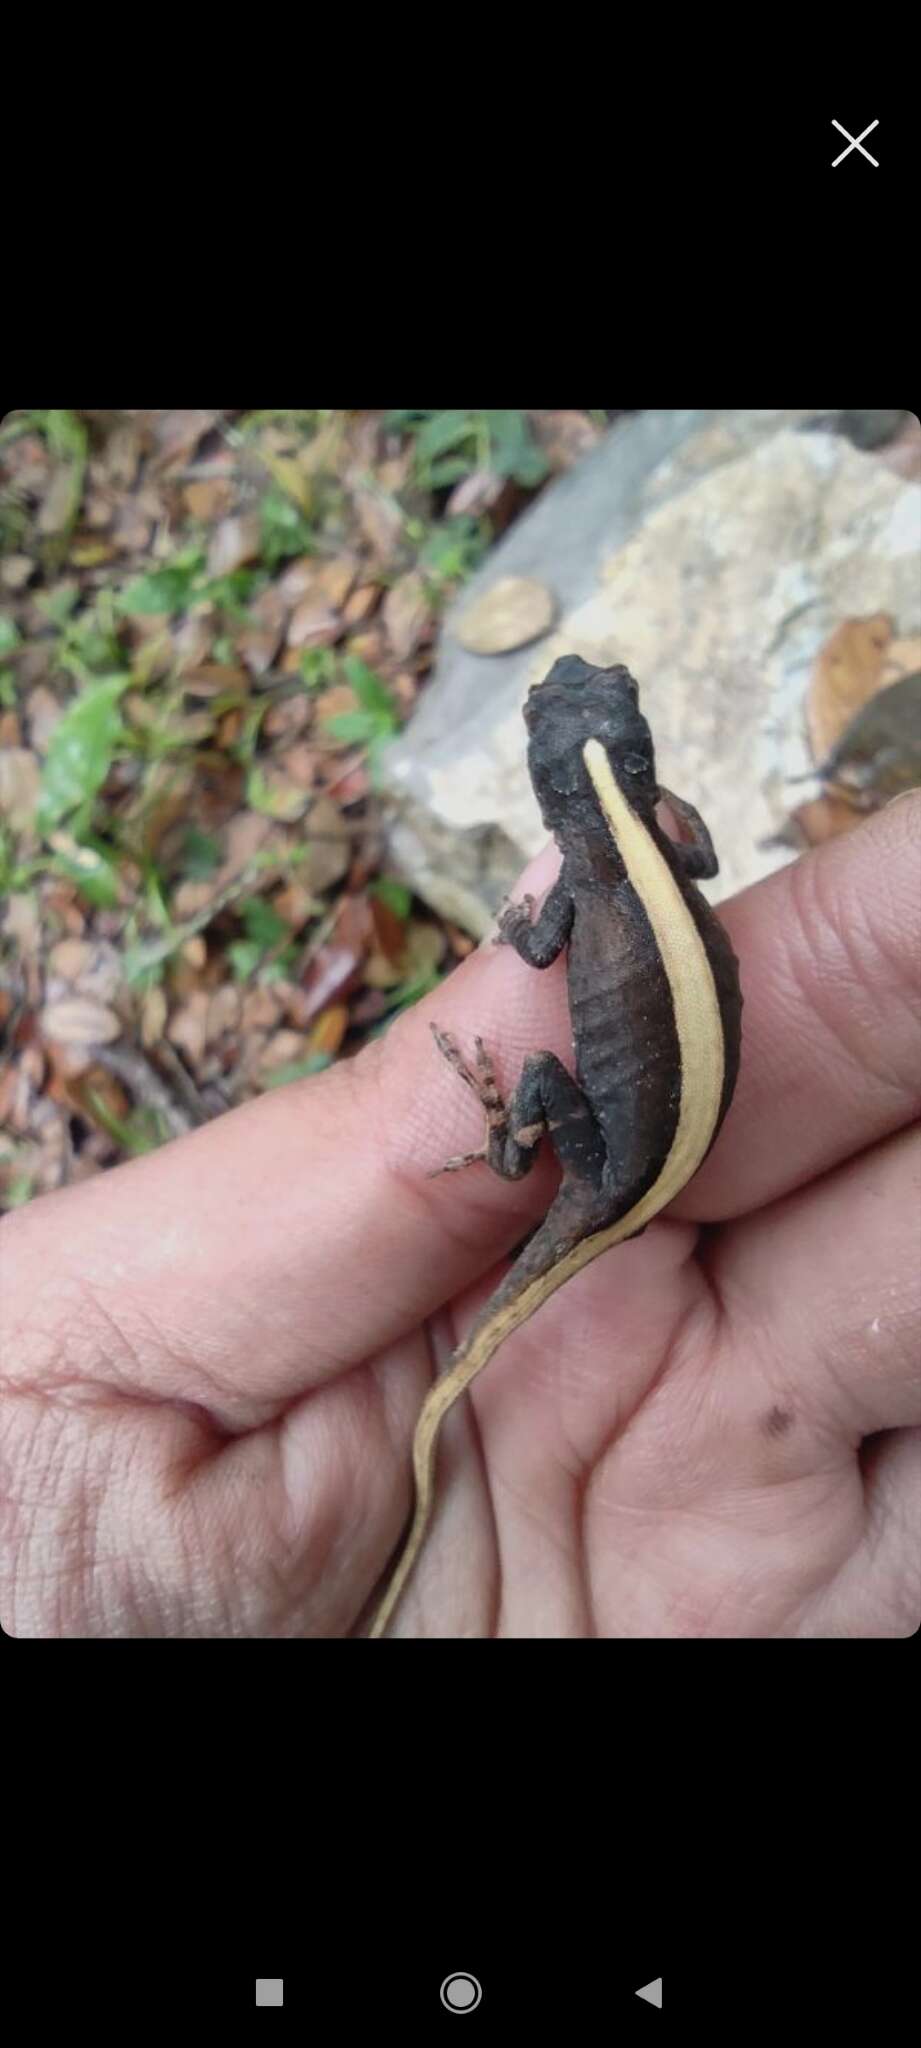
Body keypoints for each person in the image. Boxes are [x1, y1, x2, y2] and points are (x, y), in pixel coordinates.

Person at [1, 796, 918, 1638]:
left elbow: (527, 945)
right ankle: (508, 1155)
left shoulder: (577, 877)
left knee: (543, 1082)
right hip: (639, 1163)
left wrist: (519, 922)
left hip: (632, 1163)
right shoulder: (666, 853)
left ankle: (506, 1151)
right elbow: (702, 860)